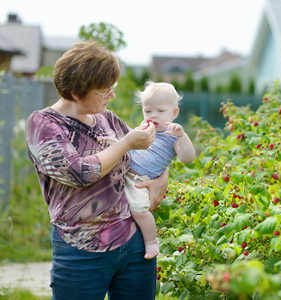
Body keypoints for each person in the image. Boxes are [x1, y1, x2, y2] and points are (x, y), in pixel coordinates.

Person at [25, 41, 168, 300]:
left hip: (134, 243)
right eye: (104, 92)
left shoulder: (108, 119)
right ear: (77, 93)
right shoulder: (43, 123)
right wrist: (126, 144)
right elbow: (78, 173)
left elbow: (148, 154)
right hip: (81, 249)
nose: (111, 96)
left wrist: (162, 178)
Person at [125, 81, 195, 259]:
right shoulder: (145, 127)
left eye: (160, 111)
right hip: (124, 171)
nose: (153, 116)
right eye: (148, 111)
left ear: (174, 113)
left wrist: (183, 136)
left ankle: (151, 241)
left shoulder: (173, 137)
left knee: (139, 210)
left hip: (140, 181)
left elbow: (188, 158)